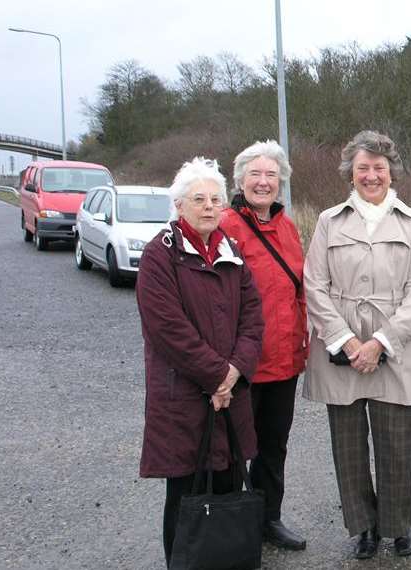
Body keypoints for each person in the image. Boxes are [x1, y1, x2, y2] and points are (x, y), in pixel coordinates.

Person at [302, 131, 411, 560]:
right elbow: (315, 286)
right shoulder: (328, 221)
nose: (372, 175)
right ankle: (363, 528)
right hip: (341, 350)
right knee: (349, 446)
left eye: (379, 167)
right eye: (363, 168)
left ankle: (398, 527)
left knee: (397, 445)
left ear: (391, 171)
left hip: (393, 350)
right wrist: (346, 342)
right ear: (351, 173)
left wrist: (379, 343)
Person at [136, 157, 263, 567]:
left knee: (228, 485)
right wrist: (217, 375)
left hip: (230, 394)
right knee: (187, 496)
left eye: (215, 199)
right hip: (185, 399)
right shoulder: (161, 255)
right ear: (179, 205)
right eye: (199, 199)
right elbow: (167, 328)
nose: (209, 206)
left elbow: (252, 317)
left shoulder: (233, 251)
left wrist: (235, 371)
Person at [218, 140, 308, 550]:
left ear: (281, 183)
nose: (263, 182)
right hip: (243, 365)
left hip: (284, 362)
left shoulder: (288, 228)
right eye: (255, 174)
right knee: (233, 449)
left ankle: (268, 519)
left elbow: (300, 289)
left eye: (271, 175)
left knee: (274, 448)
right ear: (239, 180)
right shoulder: (223, 226)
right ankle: (231, 525)